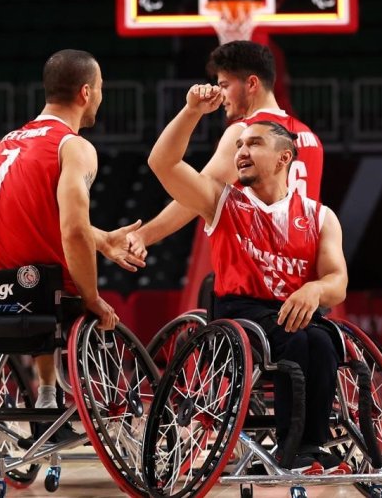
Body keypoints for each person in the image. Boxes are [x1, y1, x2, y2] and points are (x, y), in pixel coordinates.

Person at [148, 83, 349, 475]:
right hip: (242, 314)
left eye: (253, 144)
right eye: (238, 145)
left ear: (283, 158)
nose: (240, 152)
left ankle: (311, 445)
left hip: (295, 307)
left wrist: (315, 288)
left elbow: (338, 279)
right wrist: (190, 112)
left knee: (323, 341)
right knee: (296, 340)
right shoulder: (221, 201)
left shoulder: (319, 216)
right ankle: (291, 449)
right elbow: (163, 164)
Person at [0, 49, 144, 432]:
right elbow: (73, 230)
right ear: (85, 92)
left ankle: (47, 392)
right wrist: (92, 297)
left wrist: (103, 240)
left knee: (40, 272)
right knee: (89, 303)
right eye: (99, 89)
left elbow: (36, 219)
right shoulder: (73, 147)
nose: (100, 96)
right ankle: (112, 415)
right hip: (39, 297)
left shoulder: (5, 144)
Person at [128, 40, 324, 259]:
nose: (221, 95)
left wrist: (144, 235)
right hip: (298, 271)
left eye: (224, 85)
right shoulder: (310, 137)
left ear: (251, 84)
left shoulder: (244, 133)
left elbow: (195, 198)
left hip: (256, 272)